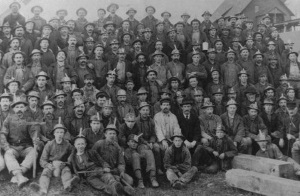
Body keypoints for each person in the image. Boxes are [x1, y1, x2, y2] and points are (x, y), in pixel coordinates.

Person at [30, 120, 79, 194]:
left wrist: (66, 163)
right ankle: (42, 188)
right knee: (45, 173)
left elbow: (71, 156)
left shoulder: (68, 145)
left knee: (66, 171)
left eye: (61, 132)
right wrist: (47, 165)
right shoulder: (49, 145)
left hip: (62, 165)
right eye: (57, 132)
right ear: (54, 133)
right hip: (51, 164)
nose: (59, 134)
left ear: (64, 134)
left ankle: (68, 184)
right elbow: (42, 160)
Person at [70, 129, 124, 195]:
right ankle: (115, 192)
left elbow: (102, 161)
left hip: (99, 170)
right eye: (78, 144)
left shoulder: (92, 152)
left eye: (82, 144)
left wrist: (106, 167)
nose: (80, 146)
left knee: (109, 178)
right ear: (74, 145)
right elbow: (72, 169)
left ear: (85, 144)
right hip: (90, 176)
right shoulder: (72, 158)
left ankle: (116, 186)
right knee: (101, 185)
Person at [0, 96, 39, 187]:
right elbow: (3, 133)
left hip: (26, 146)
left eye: (21, 107)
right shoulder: (9, 119)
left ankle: (19, 175)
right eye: (17, 107)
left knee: (34, 152)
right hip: (13, 146)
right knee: (8, 154)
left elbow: (33, 132)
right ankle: (21, 177)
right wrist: (6, 147)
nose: (19, 109)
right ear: (13, 109)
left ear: (25, 108)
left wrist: (35, 139)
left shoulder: (29, 119)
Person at [92, 123, 135, 195]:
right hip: (102, 171)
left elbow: (121, 161)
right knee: (110, 179)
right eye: (110, 133)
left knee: (130, 180)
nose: (112, 135)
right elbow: (92, 158)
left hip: (114, 170)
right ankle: (119, 190)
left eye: (114, 134)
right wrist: (103, 167)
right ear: (105, 134)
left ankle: (122, 188)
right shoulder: (99, 144)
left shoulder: (117, 146)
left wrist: (121, 171)